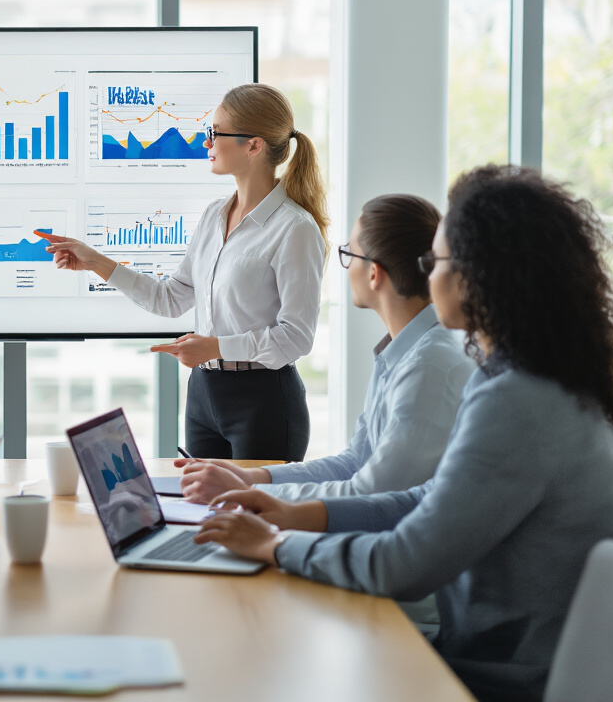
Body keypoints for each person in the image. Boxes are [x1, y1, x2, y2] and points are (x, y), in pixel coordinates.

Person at [194, 166, 613, 702]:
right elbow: (429, 498)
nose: (428, 275)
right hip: (490, 652)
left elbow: (405, 563)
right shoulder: (545, 381)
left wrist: (278, 545)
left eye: (438, 261)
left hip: (488, 675)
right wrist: (294, 513)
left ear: (484, 275)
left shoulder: (517, 402)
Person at [40, 83, 328, 461]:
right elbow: (171, 298)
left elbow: (296, 338)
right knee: (203, 514)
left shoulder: (295, 228)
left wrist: (216, 346)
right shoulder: (213, 216)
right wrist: (95, 261)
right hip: (203, 396)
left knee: (247, 517)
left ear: (253, 146)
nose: (205, 143)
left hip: (264, 402)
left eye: (215, 133)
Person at [178, 194, 474, 503]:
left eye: (349, 254)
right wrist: (250, 479)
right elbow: (354, 463)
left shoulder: (427, 367)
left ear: (374, 273)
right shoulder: (401, 353)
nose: (345, 268)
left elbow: (375, 493)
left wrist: (263, 498)